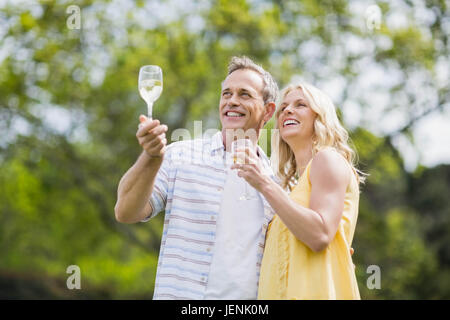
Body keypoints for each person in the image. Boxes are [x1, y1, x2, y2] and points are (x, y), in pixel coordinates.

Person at [114, 56, 278, 299]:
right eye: (226, 94)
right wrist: (151, 156)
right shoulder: (179, 156)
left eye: (244, 94)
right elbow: (126, 212)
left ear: (268, 110)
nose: (232, 101)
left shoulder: (277, 183)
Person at [231, 81, 364, 299]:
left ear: (319, 117)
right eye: (283, 108)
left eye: (300, 104)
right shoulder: (292, 189)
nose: (288, 110)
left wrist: (264, 184)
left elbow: (320, 235)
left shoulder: (327, 159)